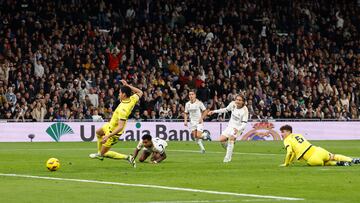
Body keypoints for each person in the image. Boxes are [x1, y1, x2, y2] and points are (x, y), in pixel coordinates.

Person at [89, 80, 143, 168]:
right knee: (98, 132)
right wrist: (127, 85)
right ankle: (99, 154)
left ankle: (128, 157)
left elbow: (120, 126)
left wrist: (108, 136)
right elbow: (140, 92)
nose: (119, 94)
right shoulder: (132, 98)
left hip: (114, 132)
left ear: (124, 95)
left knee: (105, 153)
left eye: (120, 93)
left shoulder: (124, 109)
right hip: (110, 125)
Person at [279, 125, 360, 166]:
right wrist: (290, 161)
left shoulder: (287, 140)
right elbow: (294, 153)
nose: (281, 134)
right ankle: (352, 160)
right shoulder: (298, 135)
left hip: (312, 158)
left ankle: (339, 163)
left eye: (283, 132)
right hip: (318, 150)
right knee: (333, 156)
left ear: (288, 132)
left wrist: (286, 163)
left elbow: (290, 152)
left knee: (325, 163)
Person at [208, 95, 249, 162]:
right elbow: (225, 109)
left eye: (239, 100)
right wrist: (214, 111)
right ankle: (230, 149)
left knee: (231, 138)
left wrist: (238, 129)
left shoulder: (245, 110)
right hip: (230, 126)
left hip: (238, 128)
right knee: (221, 140)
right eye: (237, 99)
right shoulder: (233, 104)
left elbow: (244, 123)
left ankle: (227, 159)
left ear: (243, 102)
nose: (237, 101)